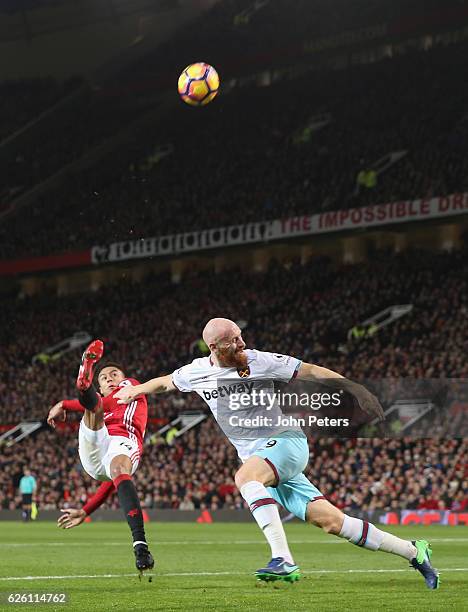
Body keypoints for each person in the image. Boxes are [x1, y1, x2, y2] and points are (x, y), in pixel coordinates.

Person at [115, 317, 439, 589]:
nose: (241, 344)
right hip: (266, 459)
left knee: (245, 477)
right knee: (332, 522)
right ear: (214, 348)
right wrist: (135, 390)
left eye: (241, 337)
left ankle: (283, 560)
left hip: (285, 441)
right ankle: (414, 552)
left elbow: (309, 370)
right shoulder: (197, 371)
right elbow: (167, 383)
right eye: (233, 341)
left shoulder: (260, 360)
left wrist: (355, 387)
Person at [47, 340, 154, 576]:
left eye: (114, 374)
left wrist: (64, 403)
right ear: (101, 386)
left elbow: (112, 481)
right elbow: (108, 484)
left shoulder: (131, 387)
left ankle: (140, 546)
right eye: (104, 377)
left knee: (116, 467)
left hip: (124, 440)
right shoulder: (102, 399)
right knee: (93, 410)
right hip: (96, 448)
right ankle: (84, 384)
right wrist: (86, 511)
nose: (109, 378)